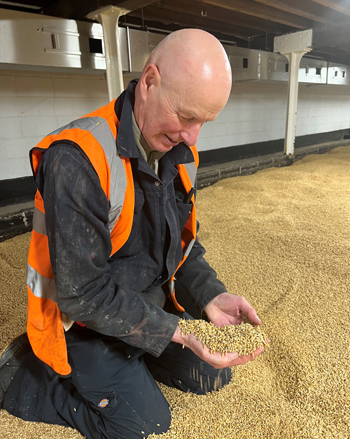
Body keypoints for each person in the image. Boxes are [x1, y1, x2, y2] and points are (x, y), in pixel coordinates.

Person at [0, 29, 264, 439]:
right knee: (142, 424)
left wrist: (211, 296)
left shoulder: (179, 152)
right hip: (84, 324)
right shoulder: (77, 160)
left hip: (145, 309)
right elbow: (82, 293)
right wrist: (174, 332)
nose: (192, 137)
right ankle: (23, 374)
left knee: (212, 375)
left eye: (205, 122)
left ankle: (132, 366)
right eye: (187, 116)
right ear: (150, 81)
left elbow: (183, 249)